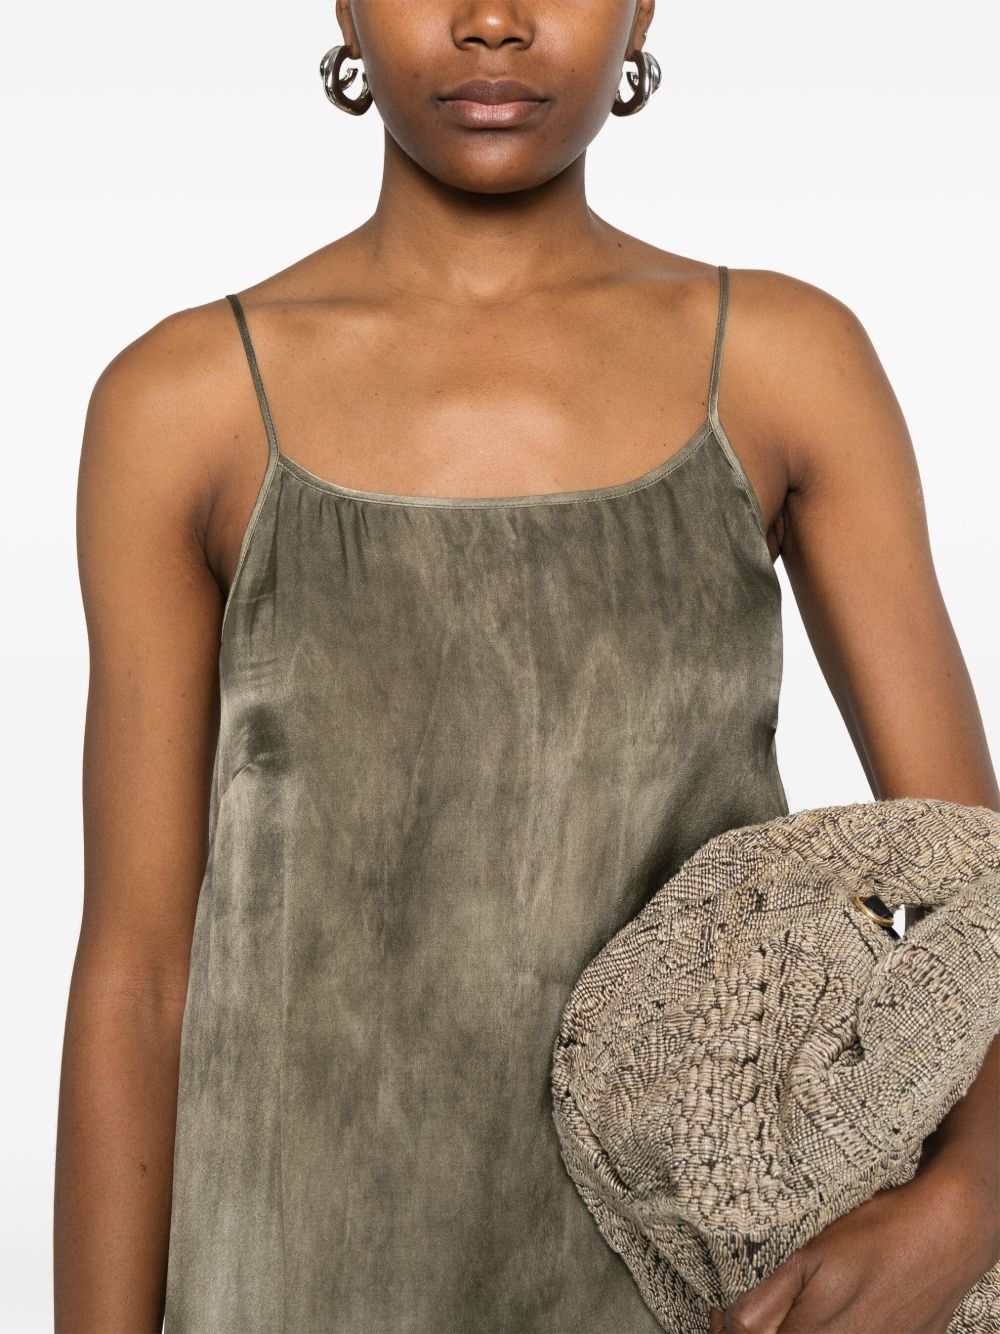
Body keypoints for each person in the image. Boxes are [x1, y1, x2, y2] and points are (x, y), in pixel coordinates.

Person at [54, 2, 1000, 1332]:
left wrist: (969, 1203)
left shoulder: (785, 367)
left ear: (643, 6)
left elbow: (969, 889)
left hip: (696, 1280)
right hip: (292, 1277)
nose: (491, 21)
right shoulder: (181, 405)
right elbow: (138, 976)